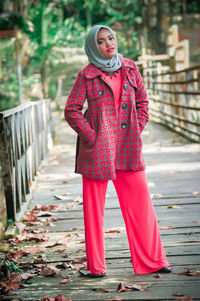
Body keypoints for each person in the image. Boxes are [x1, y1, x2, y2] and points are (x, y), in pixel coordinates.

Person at [64, 25, 171, 277]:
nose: (108, 43)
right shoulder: (86, 75)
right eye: (101, 41)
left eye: (110, 38)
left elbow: (143, 102)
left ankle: (154, 261)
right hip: (97, 152)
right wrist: (93, 136)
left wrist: (137, 127)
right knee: (94, 211)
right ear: (93, 47)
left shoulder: (130, 67)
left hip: (128, 147)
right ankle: (96, 267)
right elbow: (72, 110)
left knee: (141, 203)